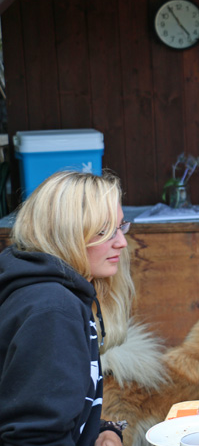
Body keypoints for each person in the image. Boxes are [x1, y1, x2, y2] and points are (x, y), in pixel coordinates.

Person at [0, 171, 133, 446]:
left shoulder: (52, 294)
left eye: (121, 227)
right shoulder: (53, 310)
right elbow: (34, 439)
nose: (121, 242)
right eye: (103, 231)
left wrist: (101, 430)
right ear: (66, 234)